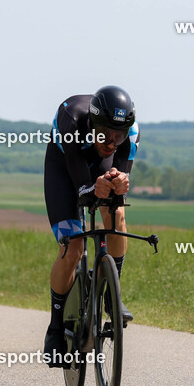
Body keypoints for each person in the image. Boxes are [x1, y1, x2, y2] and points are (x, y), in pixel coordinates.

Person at [43, 85, 139, 367]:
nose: (111, 142)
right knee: (73, 246)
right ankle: (56, 328)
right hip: (64, 165)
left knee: (116, 213)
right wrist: (91, 187)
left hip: (97, 167)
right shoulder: (72, 119)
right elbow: (82, 189)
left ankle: (112, 294)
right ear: (92, 124)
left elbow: (119, 180)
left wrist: (119, 182)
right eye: (104, 134)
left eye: (117, 136)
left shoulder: (129, 135)